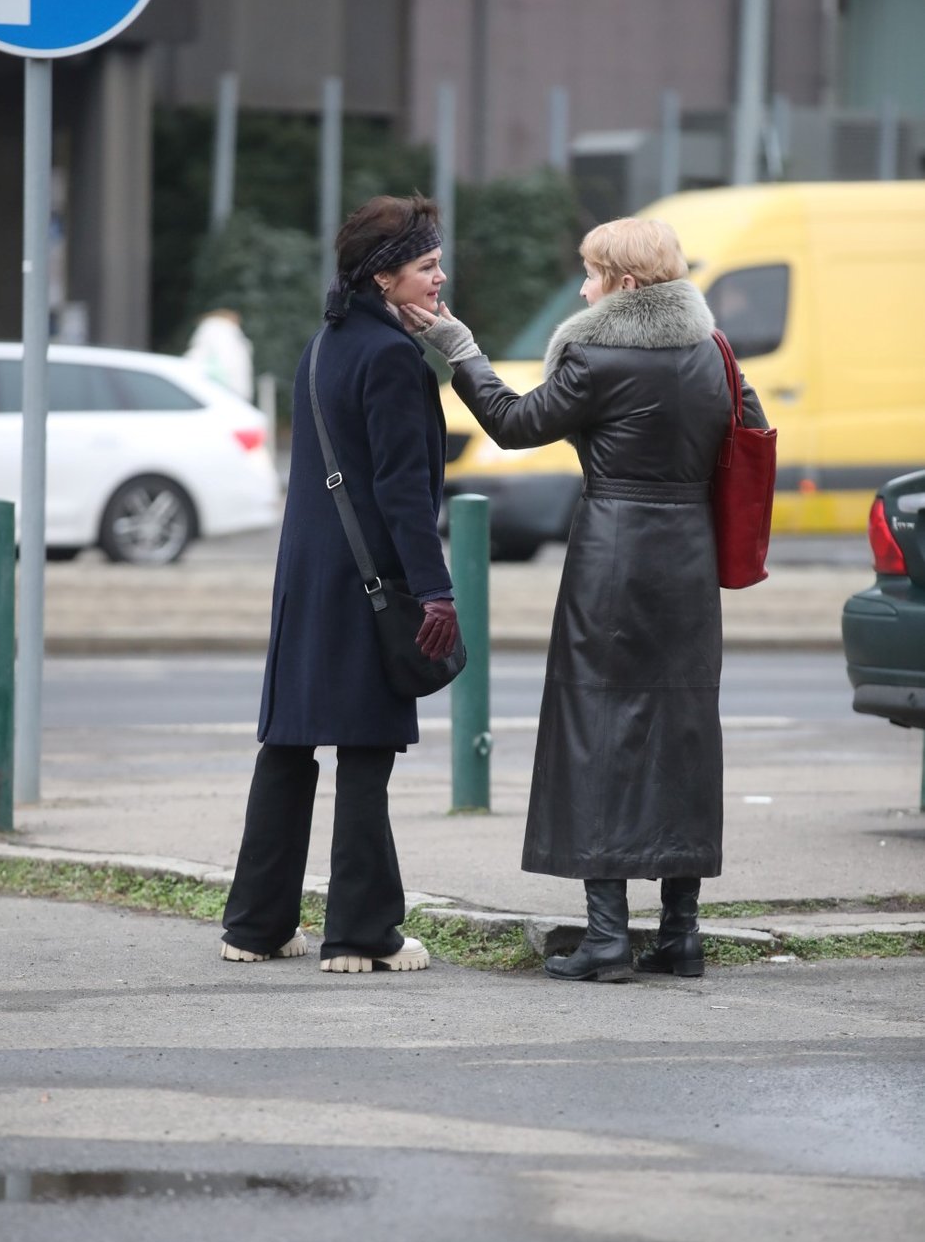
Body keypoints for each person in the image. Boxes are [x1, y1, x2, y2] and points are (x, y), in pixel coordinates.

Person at [403, 216, 769, 983]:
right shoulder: (714, 355)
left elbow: (511, 425)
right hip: (690, 563)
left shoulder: (600, 359)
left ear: (626, 285)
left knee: (598, 727)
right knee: (683, 730)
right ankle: (681, 933)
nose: (582, 287)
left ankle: (607, 937)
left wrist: (461, 350)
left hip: (614, 558)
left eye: (592, 274)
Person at [220, 194, 459, 974]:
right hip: (372, 582)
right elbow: (402, 490)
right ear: (385, 277)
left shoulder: (324, 345)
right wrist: (437, 593)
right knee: (366, 751)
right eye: (427, 266)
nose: (439, 276)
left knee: (288, 747)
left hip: (308, 579)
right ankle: (360, 934)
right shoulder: (391, 358)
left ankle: (254, 926)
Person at [184, 308, 254, 400]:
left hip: (213, 387)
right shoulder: (219, 329)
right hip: (222, 387)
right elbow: (229, 361)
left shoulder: (212, 328)